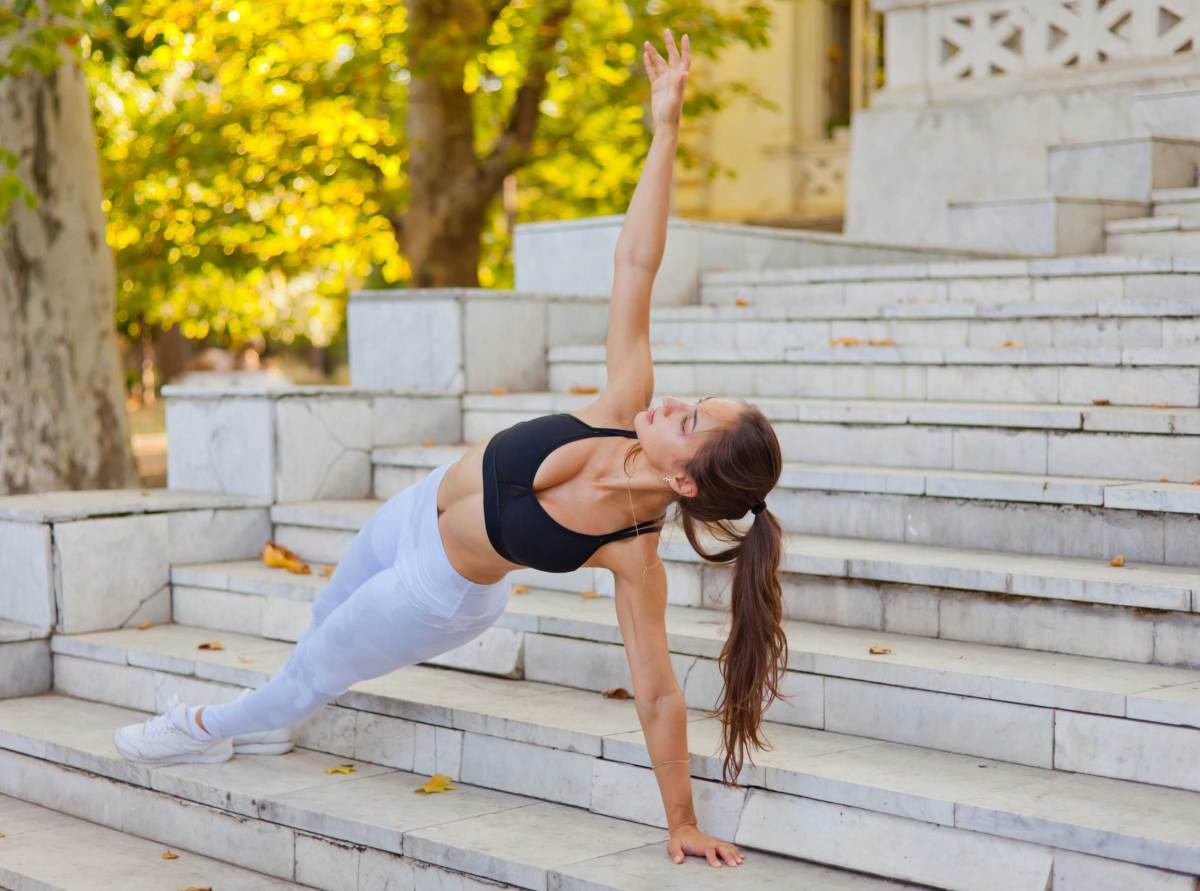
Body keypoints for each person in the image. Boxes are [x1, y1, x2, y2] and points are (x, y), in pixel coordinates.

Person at [115, 28, 783, 869]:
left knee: (311, 674)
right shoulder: (622, 404)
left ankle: (200, 730)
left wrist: (680, 821)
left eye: (690, 420)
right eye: (696, 401)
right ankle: (266, 723)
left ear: (683, 481)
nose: (675, 402)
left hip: (438, 591)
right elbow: (636, 261)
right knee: (320, 621)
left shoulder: (631, 555)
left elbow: (656, 692)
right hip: (410, 510)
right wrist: (666, 130)